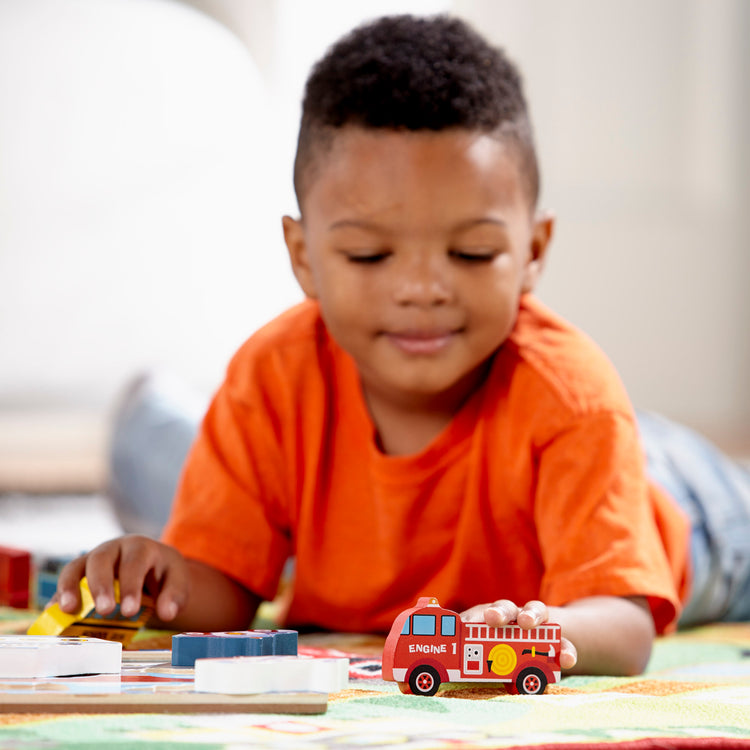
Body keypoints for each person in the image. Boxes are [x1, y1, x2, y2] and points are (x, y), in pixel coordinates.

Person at [56, 14, 750, 676]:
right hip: (508, 485)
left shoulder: (571, 398)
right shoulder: (272, 375)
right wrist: (164, 583)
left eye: (472, 253)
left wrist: (542, 629)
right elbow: (230, 593)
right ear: (303, 258)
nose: (422, 289)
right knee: (157, 469)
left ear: (533, 252)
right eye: (368, 255)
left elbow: (625, 628)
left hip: (696, 514)